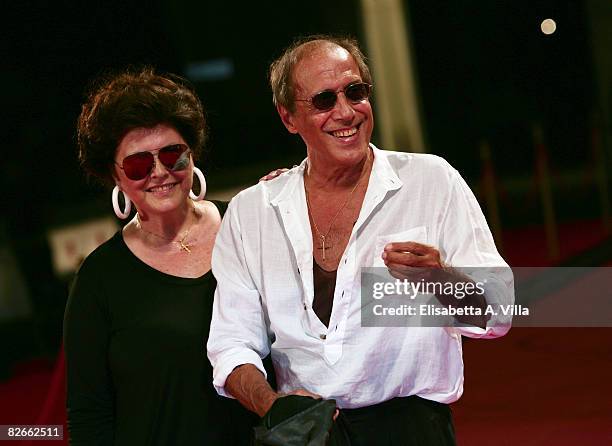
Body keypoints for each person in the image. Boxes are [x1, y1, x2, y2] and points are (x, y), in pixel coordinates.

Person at [207, 35, 514, 445]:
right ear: (288, 118)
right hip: (304, 431)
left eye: (356, 92)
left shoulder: (431, 181)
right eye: (323, 100)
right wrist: (273, 405)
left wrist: (439, 278)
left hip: (413, 429)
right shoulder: (252, 213)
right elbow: (231, 344)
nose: (346, 111)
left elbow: (498, 313)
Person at [64, 67, 259, 445]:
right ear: (116, 177)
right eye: (138, 165)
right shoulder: (99, 278)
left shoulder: (247, 226)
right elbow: (88, 414)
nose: (159, 172)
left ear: (192, 154)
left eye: (173, 155)